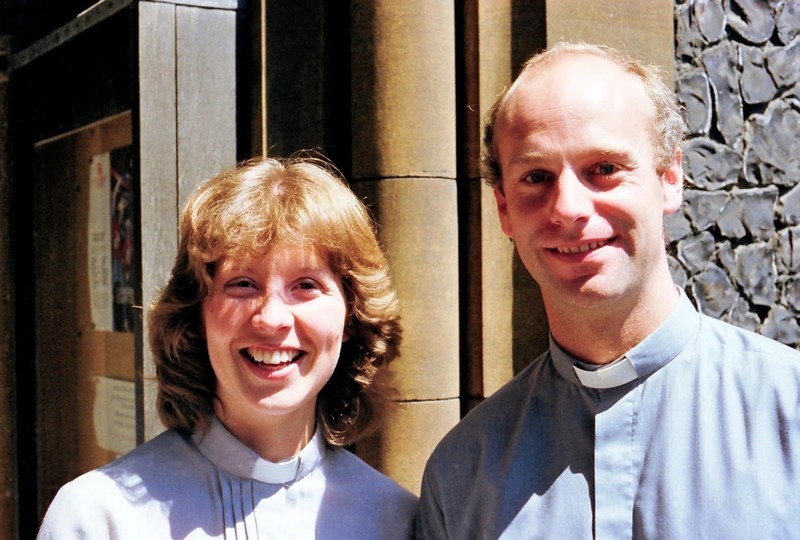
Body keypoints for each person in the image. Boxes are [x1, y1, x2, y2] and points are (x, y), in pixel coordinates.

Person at [416, 42, 800, 538]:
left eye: (604, 169)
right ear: (504, 209)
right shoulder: (462, 475)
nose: (569, 208)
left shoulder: (788, 413)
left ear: (669, 177)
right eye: (537, 177)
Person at [38, 156, 418, 539]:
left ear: (352, 316)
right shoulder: (99, 518)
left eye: (305, 285)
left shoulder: (396, 521)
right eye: (242, 284)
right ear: (196, 315)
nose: (271, 318)